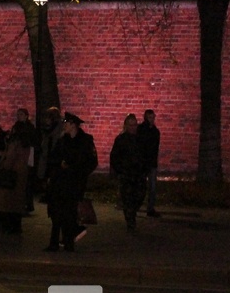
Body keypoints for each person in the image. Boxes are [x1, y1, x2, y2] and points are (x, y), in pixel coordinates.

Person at [44, 112, 98, 252]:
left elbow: (91, 162)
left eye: (66, 123)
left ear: (73, 125)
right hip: (60, 182)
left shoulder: (85, 140)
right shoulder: (63, 140)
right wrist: (59, 165)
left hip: (74, 183)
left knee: (69, 213)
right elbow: (53, 158)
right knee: (56, 213)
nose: (64, 126)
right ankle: (54, 243)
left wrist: (77, 170)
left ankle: (69, 243)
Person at [0, 130, 30, 235]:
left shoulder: (14, 143)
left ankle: (0, 226)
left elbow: (9, 159)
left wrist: (1, 166)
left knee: (3, 201)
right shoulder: (26, 144)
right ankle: (15, 227)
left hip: (10, 175)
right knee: (17, 202)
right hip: (21, 174)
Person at [109, 114, 146, 231]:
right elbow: (114, 156)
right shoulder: (121, 139)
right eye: (130, 125)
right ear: (126, 126)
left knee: (139, 196)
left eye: (134, 125)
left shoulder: (140, 139)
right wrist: (119, 170)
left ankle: (132, 213)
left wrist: (145, 168)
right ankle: (130, 221)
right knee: (127, 198)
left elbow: (146, 155)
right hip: (126, 174)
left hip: (139, 174)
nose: (133, 128)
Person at [9, 108, 38, 213]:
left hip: (27, 156)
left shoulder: (29, 128)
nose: (19, 116)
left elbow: (31, 141)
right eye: (18, 114)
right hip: (18, 156)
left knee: (26, 181)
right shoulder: (16, 127)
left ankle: (27, 204)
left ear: (26, 116)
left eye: (21, 114)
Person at [136, 109, 161, 217]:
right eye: (150, 117)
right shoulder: (144, 130)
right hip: (144, 162)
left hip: (150, 162)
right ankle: (138, 207)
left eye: (153, 117)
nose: (152, 120)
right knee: (142, 186)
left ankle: (149, 208)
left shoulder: (154, 131)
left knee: (152, 187)